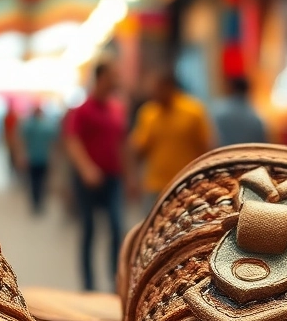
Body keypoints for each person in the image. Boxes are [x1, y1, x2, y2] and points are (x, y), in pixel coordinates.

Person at [62, 62, 126, 291]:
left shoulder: (117, 109)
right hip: (87, 181)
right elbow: (72, 141)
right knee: (89, 229)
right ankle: (88, 285)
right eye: (112, 76)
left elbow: (122, 143)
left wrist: (130, 176)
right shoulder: (82, 110)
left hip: (113, 178)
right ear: (100, 78)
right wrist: (86, 168)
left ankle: (116, 280)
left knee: (117, 227)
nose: (116, 80)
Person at [130, 72, 213, 209]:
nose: (153, 93)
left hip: (187, 184)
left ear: (169, 87)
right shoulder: (148, 113)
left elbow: (207, 146)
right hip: (155, 188)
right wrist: (133, 179)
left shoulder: (193, 111)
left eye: (157, 88)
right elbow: (138, 149)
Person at [18, 104, 59, 216]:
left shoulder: (29, 125)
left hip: (34, 158)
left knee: (34, 182)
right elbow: (53, 143)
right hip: (42, 158)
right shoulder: (47, 126)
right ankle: (39, 202)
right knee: (41, 182)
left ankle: (36, 202)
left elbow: (22, 141)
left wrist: (22, 155)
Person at [211, 75, 268, 147]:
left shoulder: (218, 112)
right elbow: (263, 145)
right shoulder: (255, 119)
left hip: (223, 153)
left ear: (231, 88)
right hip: (249, 153)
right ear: (247, 90)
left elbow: (212, 140)